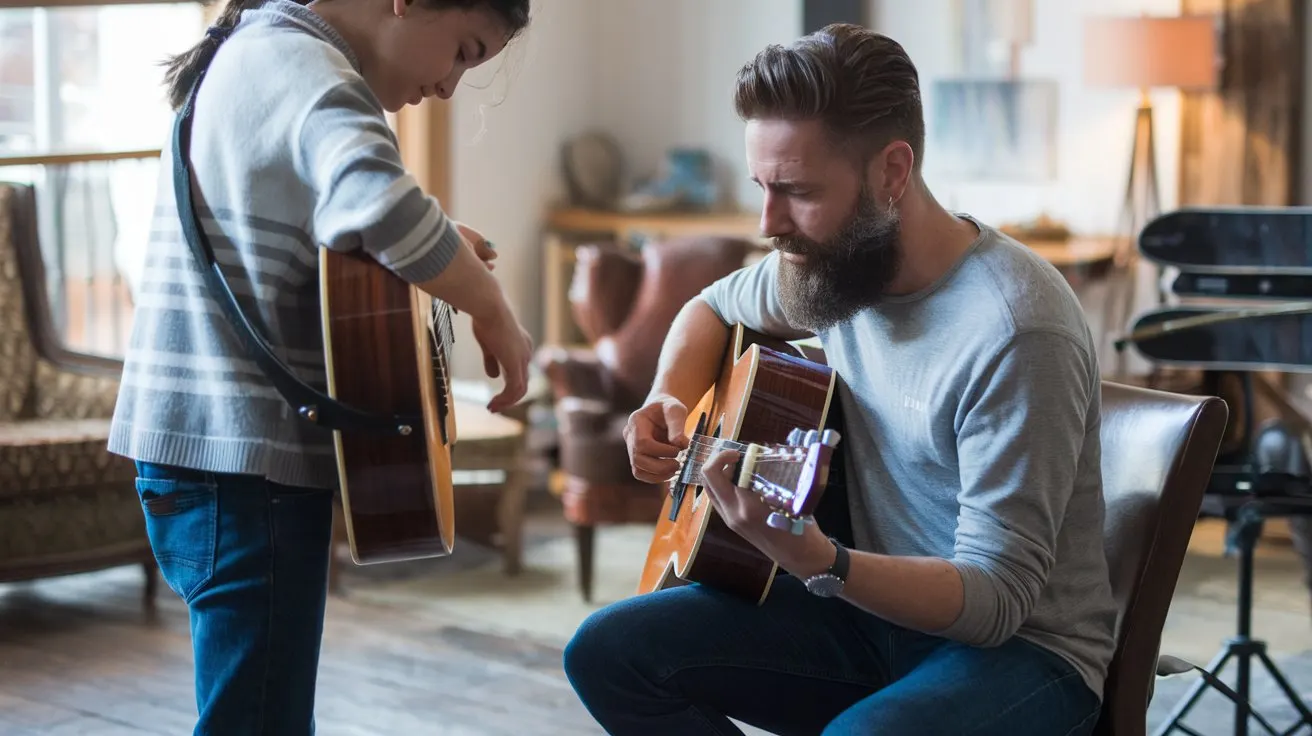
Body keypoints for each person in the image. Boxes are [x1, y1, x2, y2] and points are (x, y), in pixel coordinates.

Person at [562, 24, 1118, 736]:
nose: (769, 223)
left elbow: (997, 601)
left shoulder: (1014, 329)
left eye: (795, 191)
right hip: (868, 615)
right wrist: (667, 395)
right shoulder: (832, 267)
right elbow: (710, 306)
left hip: (1024, 655)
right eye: (763, 186)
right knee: (608, 653)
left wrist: (822, 561)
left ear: (892, 172)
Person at [107, 0, 532, 734]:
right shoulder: (305, 64)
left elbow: (329, 222)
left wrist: (434, 253)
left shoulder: (265, 49)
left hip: (214, 457)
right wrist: (491, 305)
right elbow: (381, 202)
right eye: (462, 51)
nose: (449, 86)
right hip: (244, 465)